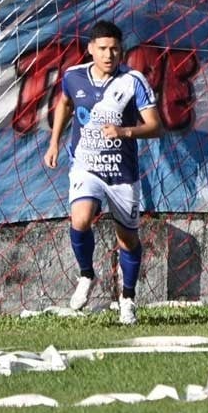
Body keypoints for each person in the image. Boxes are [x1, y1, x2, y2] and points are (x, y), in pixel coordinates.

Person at [43, 20, 163, 325]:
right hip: (86, 166)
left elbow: (154, 126)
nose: (109, 55)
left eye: (115, 49)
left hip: (122, 172)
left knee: (127, 239)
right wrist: (54, 142)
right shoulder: (73, 77)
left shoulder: (134, 81)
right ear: (91, 50)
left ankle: (128, 299)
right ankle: (86, 276)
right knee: (80, 219)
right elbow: (65, 104)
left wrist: (124, 131)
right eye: (103, 49)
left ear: (121, 51)